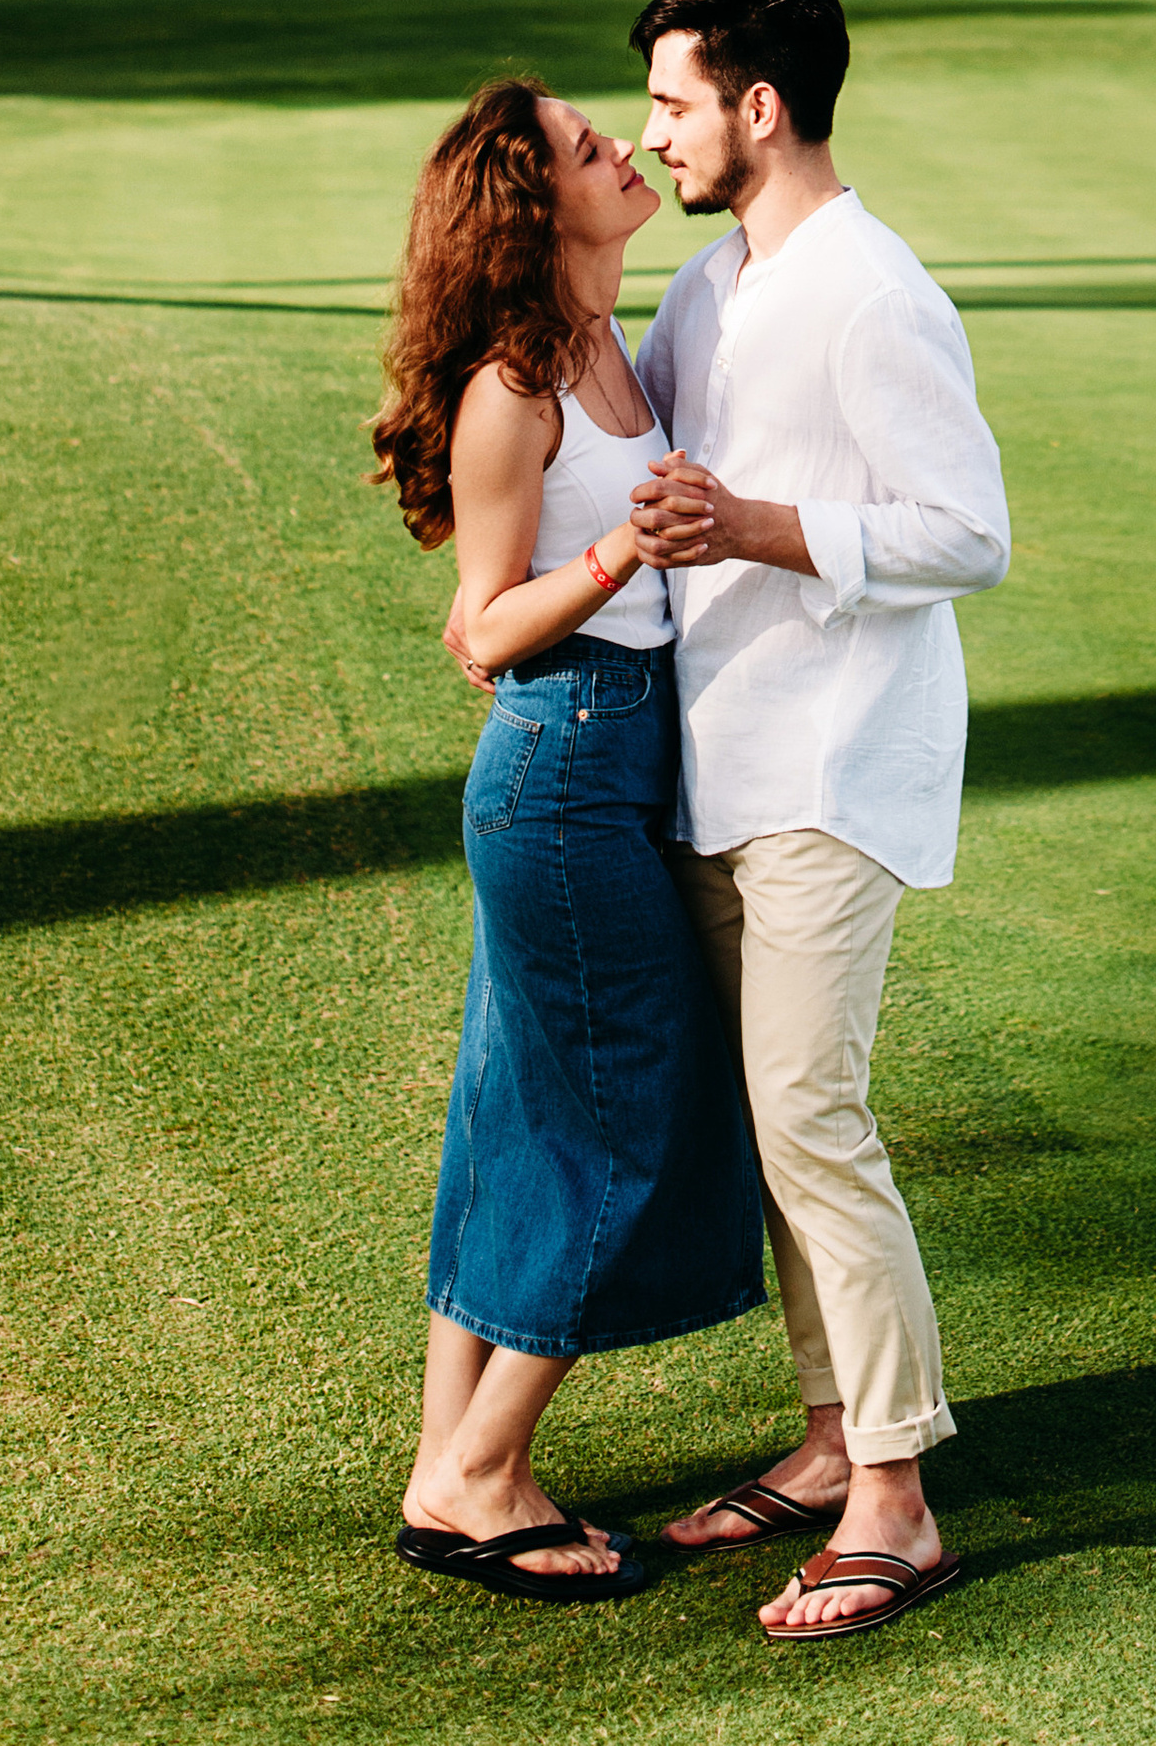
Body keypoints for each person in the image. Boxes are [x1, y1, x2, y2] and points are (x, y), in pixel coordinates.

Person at [625, 0, 1010, 1645]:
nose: (653, 137)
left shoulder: (876, 292)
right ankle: (833, 1429)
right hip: (723, 752)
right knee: (778, 1135)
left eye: (672, 103)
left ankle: (897, 1501)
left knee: (813, 1117)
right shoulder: (710, 288)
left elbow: (966, 531)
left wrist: (759, 524)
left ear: (757, 109)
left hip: (837, 766)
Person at [372, 78, 765, 1605]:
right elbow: (486, 624)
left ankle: (444, 1468)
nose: (628, 150)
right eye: (592, 147)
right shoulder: (514, 387)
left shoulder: (616, 338)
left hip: (617, 759)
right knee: (625, 1112)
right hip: (564, 768)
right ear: (539, 204)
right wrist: (618, 548)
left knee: (511, 1110)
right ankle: (484, 1470)